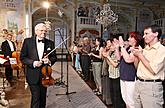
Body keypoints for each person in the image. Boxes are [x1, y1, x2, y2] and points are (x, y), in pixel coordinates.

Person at [20, 23, 57, 108]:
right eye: (41, 30)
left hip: (46, 75)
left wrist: (49, 61)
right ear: (36, 31)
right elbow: (22, 57)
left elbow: (54, 57)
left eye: (45, 31)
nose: (43, 32)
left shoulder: (50, 43)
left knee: (43, 98)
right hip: (33, 74)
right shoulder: (27, 41)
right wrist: (33, 63)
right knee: (36, 98)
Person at [132, 24, 165, 108]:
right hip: (139, 84)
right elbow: (137, 67)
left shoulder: (162, 50)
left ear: (156, 34)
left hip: (151, 87)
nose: (143, 36)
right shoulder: (145, 49)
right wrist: (136, 57)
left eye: (146, 33)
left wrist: (140, 55)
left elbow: (153, 70)